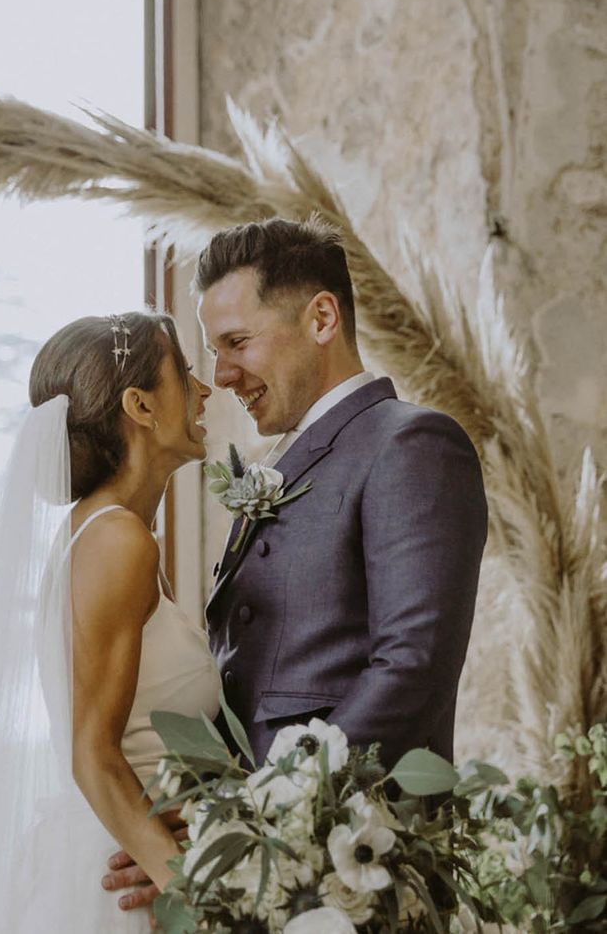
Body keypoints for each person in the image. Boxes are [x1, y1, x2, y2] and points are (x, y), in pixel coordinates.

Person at [107, 216, 488, 913]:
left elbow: (414, 665)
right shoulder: (283, 466)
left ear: (321, 318)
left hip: (364, 875)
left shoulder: (411, 444)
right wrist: (190, 829)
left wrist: (255, 817)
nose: (221, 376)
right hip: (262, 877)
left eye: (237, 343)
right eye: (214, 351)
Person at [0, 311, 219, 933]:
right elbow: (92, 754)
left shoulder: (108, 535)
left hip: (130, 848)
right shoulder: (118, 541)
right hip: (128, 884)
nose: (205, 392)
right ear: (141, 406)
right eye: (188, 374)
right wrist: (204, 898)